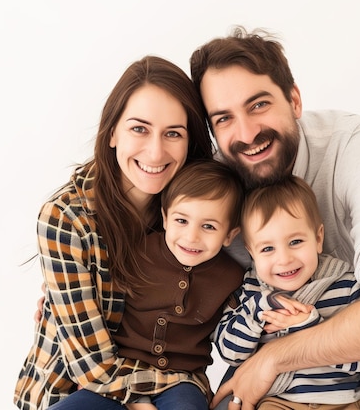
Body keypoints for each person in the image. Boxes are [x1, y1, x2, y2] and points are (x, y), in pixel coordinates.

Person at [189, 26, 360, 410]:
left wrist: (273, 358)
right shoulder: (213, 190)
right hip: (281, 384)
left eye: (259, 104)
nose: (246, 133)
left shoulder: (347, 141)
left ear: (294, 100)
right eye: (224, 119)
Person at [14, 55, 216, 410]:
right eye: (139, 128)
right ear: (112, 134)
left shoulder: (198, 213)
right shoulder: (66, 218)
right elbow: (91, 365)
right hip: (78, 385)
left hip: (172, 380)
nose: (155, 151)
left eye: (173, 133)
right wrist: (139, 404)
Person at [214, 176, 360, 410]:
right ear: (252, 252)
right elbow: (229, 352)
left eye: (295, 241)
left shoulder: (347, 286)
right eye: (268, 248)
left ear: (318, 238)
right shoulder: (252, 291)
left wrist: (309, 326)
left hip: (344, 402)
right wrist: (258, 309)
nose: (284, 259)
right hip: (278, 402)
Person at [112, 159, 245, 410]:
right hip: (121, 371)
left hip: (183, 379)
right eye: (181, 221)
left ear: (229, 235)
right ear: (165, 218)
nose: (191, 236)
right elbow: (97, 296)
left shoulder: (232, 276)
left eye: (208, 226)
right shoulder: (138, 252)